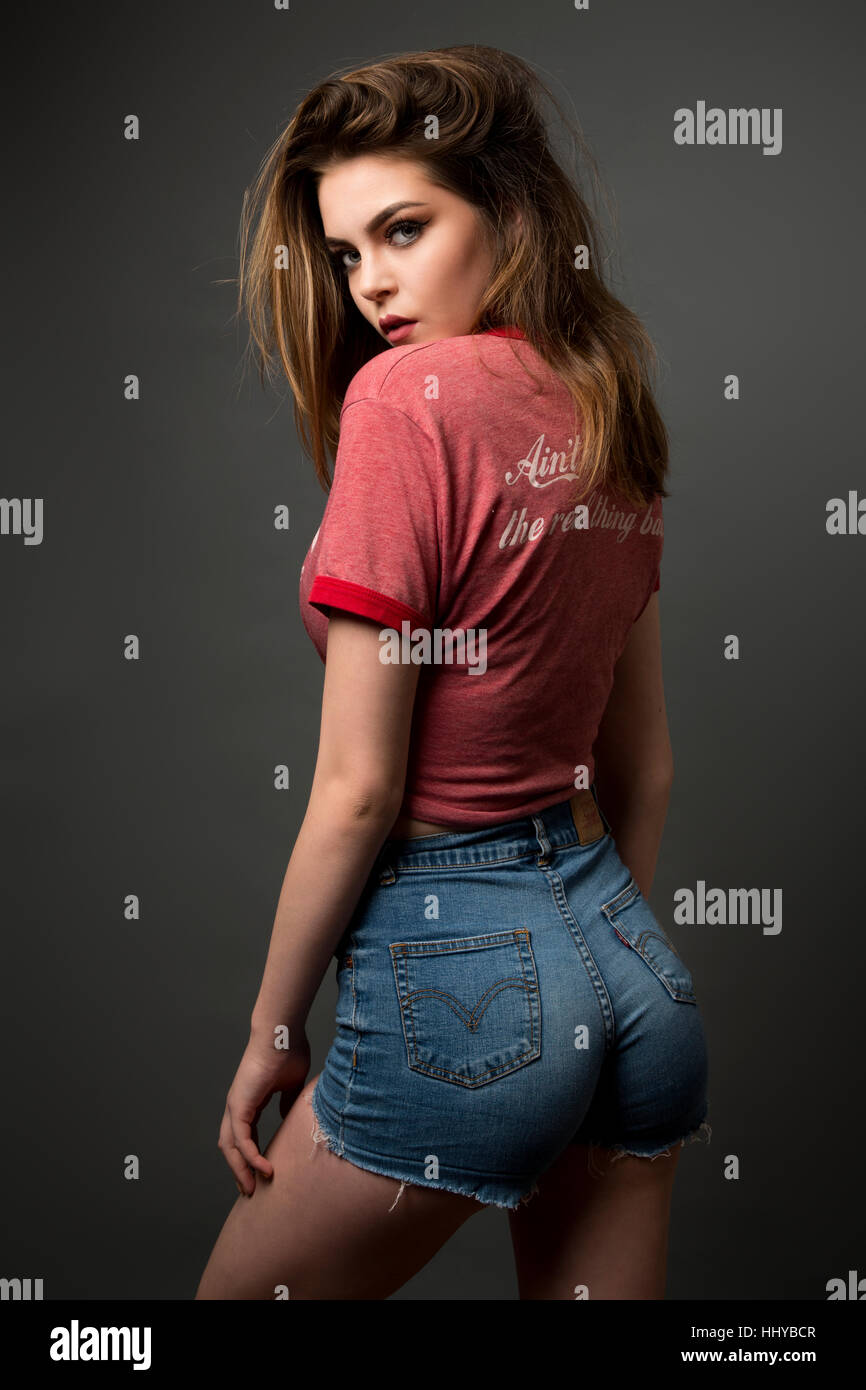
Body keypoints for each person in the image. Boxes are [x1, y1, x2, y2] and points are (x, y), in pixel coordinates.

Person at [195, 43, 710, 1301]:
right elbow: (643, 765)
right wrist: (589, 988)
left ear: (508, 212)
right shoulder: (604, 400)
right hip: (631, 972)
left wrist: (272, 1032)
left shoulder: (401, 403)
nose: (370, 283)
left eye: (403, 229)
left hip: (462, 975)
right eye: (344, 252)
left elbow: (359, 789)